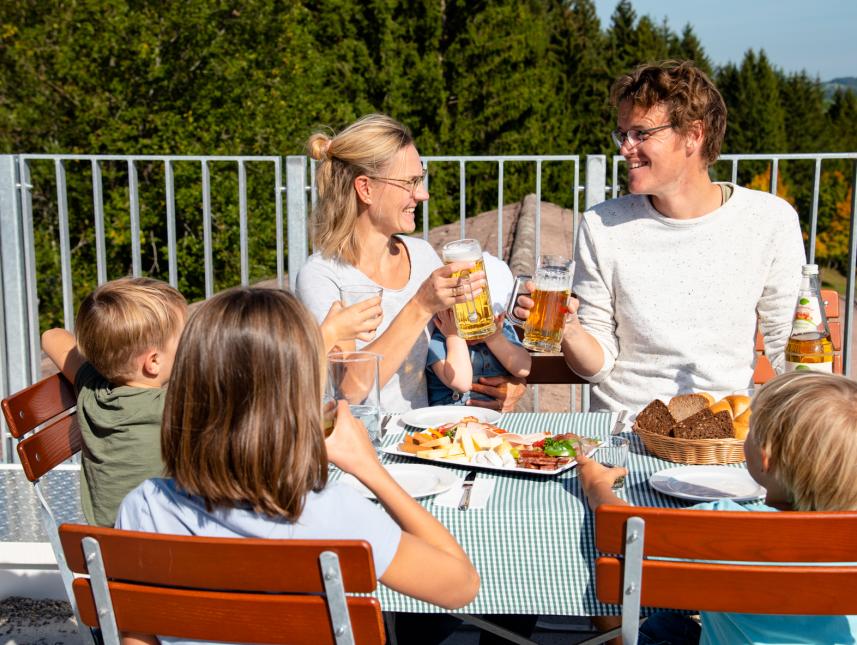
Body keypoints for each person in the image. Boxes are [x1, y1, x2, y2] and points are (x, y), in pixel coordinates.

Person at [115, 287, 480, 645]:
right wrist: (369, 468)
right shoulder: (332, 513)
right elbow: (460, 585)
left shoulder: (142, 507)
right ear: (296, 398)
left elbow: (136, 635)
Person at [515, 60, 806, 412]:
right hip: (623, 433)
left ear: (693, 135)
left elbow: (787, 348)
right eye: (623, 134)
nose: (625, 148)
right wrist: (570, 325)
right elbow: (599, 365)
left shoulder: (768, 221)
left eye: (641, 134)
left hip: (718, 438)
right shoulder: (602, 224)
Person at [578, 370, 857, 644]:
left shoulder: (723, 522)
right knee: (666, 623)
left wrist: (597, 486)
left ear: (765, 457)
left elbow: (626, 527)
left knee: (659, 625)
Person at [296, 113, 525, 413]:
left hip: (426, 444)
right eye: (410, 182)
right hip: (362, 449)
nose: (423, 194)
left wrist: (509, 385)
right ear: (365, 188)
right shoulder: (322, 276)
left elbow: (460, 346)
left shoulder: (422, 255)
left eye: (421, 179)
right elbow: (348, 391)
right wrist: (420, 306)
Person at [41, 277, 187, 527]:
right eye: (184, 338)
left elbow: (51, 336)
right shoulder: (176, 410)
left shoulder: (92, 389)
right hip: (167, 549)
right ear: (153, 362)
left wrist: (100, 357)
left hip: (108, 551)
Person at [427, 253, 531, 406]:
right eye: (464, 318)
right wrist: (455, 337)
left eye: (484, 320)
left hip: (495, 419)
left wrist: (494, 337)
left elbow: (522, 369)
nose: (475, 327)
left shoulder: (501, 331)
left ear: (500, 317)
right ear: (447, 312)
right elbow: (460, 383)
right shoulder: (441, 339)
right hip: (448, 421)